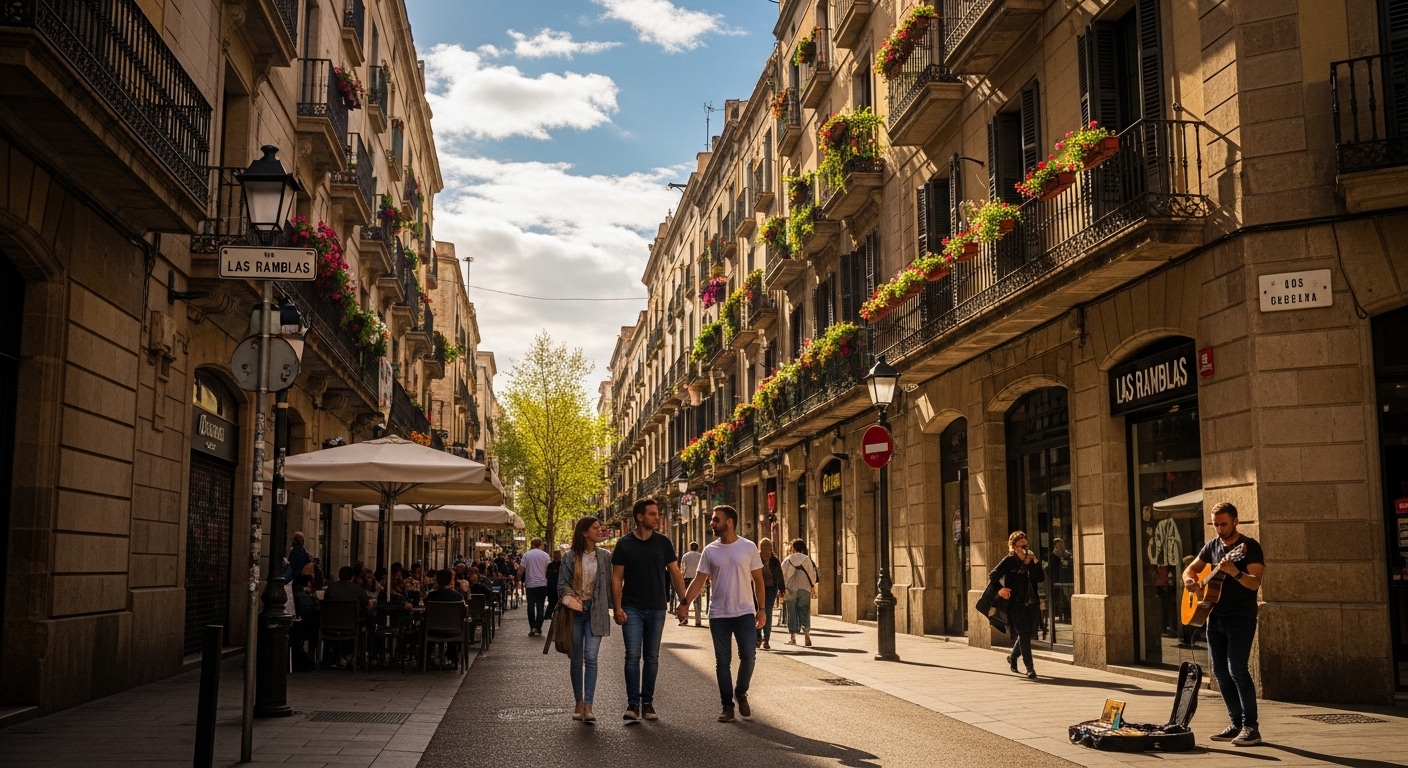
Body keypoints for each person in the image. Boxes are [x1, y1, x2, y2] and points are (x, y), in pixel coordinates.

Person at [1183, 501, 1265, 747]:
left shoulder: (1249, 548)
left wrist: (1234, 572)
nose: (1219, 529)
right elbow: (1191, 569)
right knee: (1219, 671)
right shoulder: (1211, 546)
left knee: (1237, 670)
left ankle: (1251, 727)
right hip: (1214, 617)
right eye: (1215, 524)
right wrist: (1189, 580)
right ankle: (1236, 724)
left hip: (1241, 617)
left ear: (1236, 521)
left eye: (1223, 524)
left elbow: (1255, 583)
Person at [676, 505, 765, 723]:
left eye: (716, 520)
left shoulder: (748, 547)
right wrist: (685, 602)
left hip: (745, 612)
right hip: (718, 614)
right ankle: (727, 705)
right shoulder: (710, 550)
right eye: (712, 520)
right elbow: (699, 580)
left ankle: (741, 691)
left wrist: (762, 609)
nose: (712, 523)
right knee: (722, 662)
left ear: (729, 522)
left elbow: (758, 581)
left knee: (749, 656)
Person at [611, 498, 687, 723]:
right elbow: (617, 578)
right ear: (640, 517)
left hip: (656, 607)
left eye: (657, 513)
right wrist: (617, 607)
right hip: (631, 607)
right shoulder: (624, 544)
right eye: (652, 514)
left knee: (652, 657)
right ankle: (633, 703)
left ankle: (648, 703)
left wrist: (683, 602)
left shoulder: (663, 543)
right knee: (632, 655)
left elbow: (674, 572)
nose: (657, 517)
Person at [559, 516, 614, 724]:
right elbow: (562, 583)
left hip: (595, 611)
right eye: (595, 528)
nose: (600, 531)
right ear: (584, 533)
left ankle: (589, 705)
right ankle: (578, 703)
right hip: (574, 612)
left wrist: (617, 609)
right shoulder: (569, 557)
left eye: (600, 527)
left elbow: (609, 585)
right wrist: (570, 598)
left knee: (591, 658)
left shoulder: (605, 557)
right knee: (576, 658)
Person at [990, 531, 1044, 680]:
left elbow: (1040, 578)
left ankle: (1013, 657)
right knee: (1024, 633)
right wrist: (1000, 590)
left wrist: (1034, 563)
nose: (1024, 548)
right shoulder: (1009, 561)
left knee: (1027, 632)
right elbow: (992, 576)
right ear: (1013, 547)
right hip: (1015, 603)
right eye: (1021, 546)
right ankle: (1030, 668)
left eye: (1025, 545)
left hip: (1031, 602)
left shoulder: (1030, 559)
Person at [781, 539, 817, 646]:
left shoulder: (788, 560)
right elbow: (812, 574)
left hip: (790, 589)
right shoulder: (807, 559)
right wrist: (811, 585)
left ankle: (793, 638)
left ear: (793, 548)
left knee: (791, 613)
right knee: (804, 611)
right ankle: (806, 635)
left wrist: (783, 588)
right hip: (804, 588)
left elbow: (783, 574)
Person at [757, 538, 784, 650]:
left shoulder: (774, 560)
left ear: (770, 548)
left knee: (767, 612)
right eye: (763, 547)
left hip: (771, 589)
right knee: (757, 611)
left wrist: (782, 588)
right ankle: (758, 638)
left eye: (767, 547)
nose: (765, 550)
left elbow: (779, 575)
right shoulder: (756, 558)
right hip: (758, 589)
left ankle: (766, 639)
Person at [521, 539, 551, 637]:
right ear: (541, 545)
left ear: (532, 544)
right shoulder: (545, 555)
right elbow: (549, 569)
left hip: (530, 584)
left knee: (530, 606)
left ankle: (532, 626)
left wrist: (518, 578)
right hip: (542, 584)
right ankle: (538, 627)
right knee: (540, 606)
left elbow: (521, 569)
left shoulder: (526, 555)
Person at [680, 541, 703, 626]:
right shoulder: (700, 556)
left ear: (690, 548)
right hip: (697, 579)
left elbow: (683, 568)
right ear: (697, 548)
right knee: (698, 600)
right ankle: (698, 620)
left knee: (686, 599)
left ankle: (685, 619)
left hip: (687, 579)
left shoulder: (685, 556)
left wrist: (682, 577)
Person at [545, 547, 563, 616]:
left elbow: (547, 575)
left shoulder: (550, 565)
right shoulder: (562, 564)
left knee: (551, 603)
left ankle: (548, 615)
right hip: (559, 585)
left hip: (551, 586)